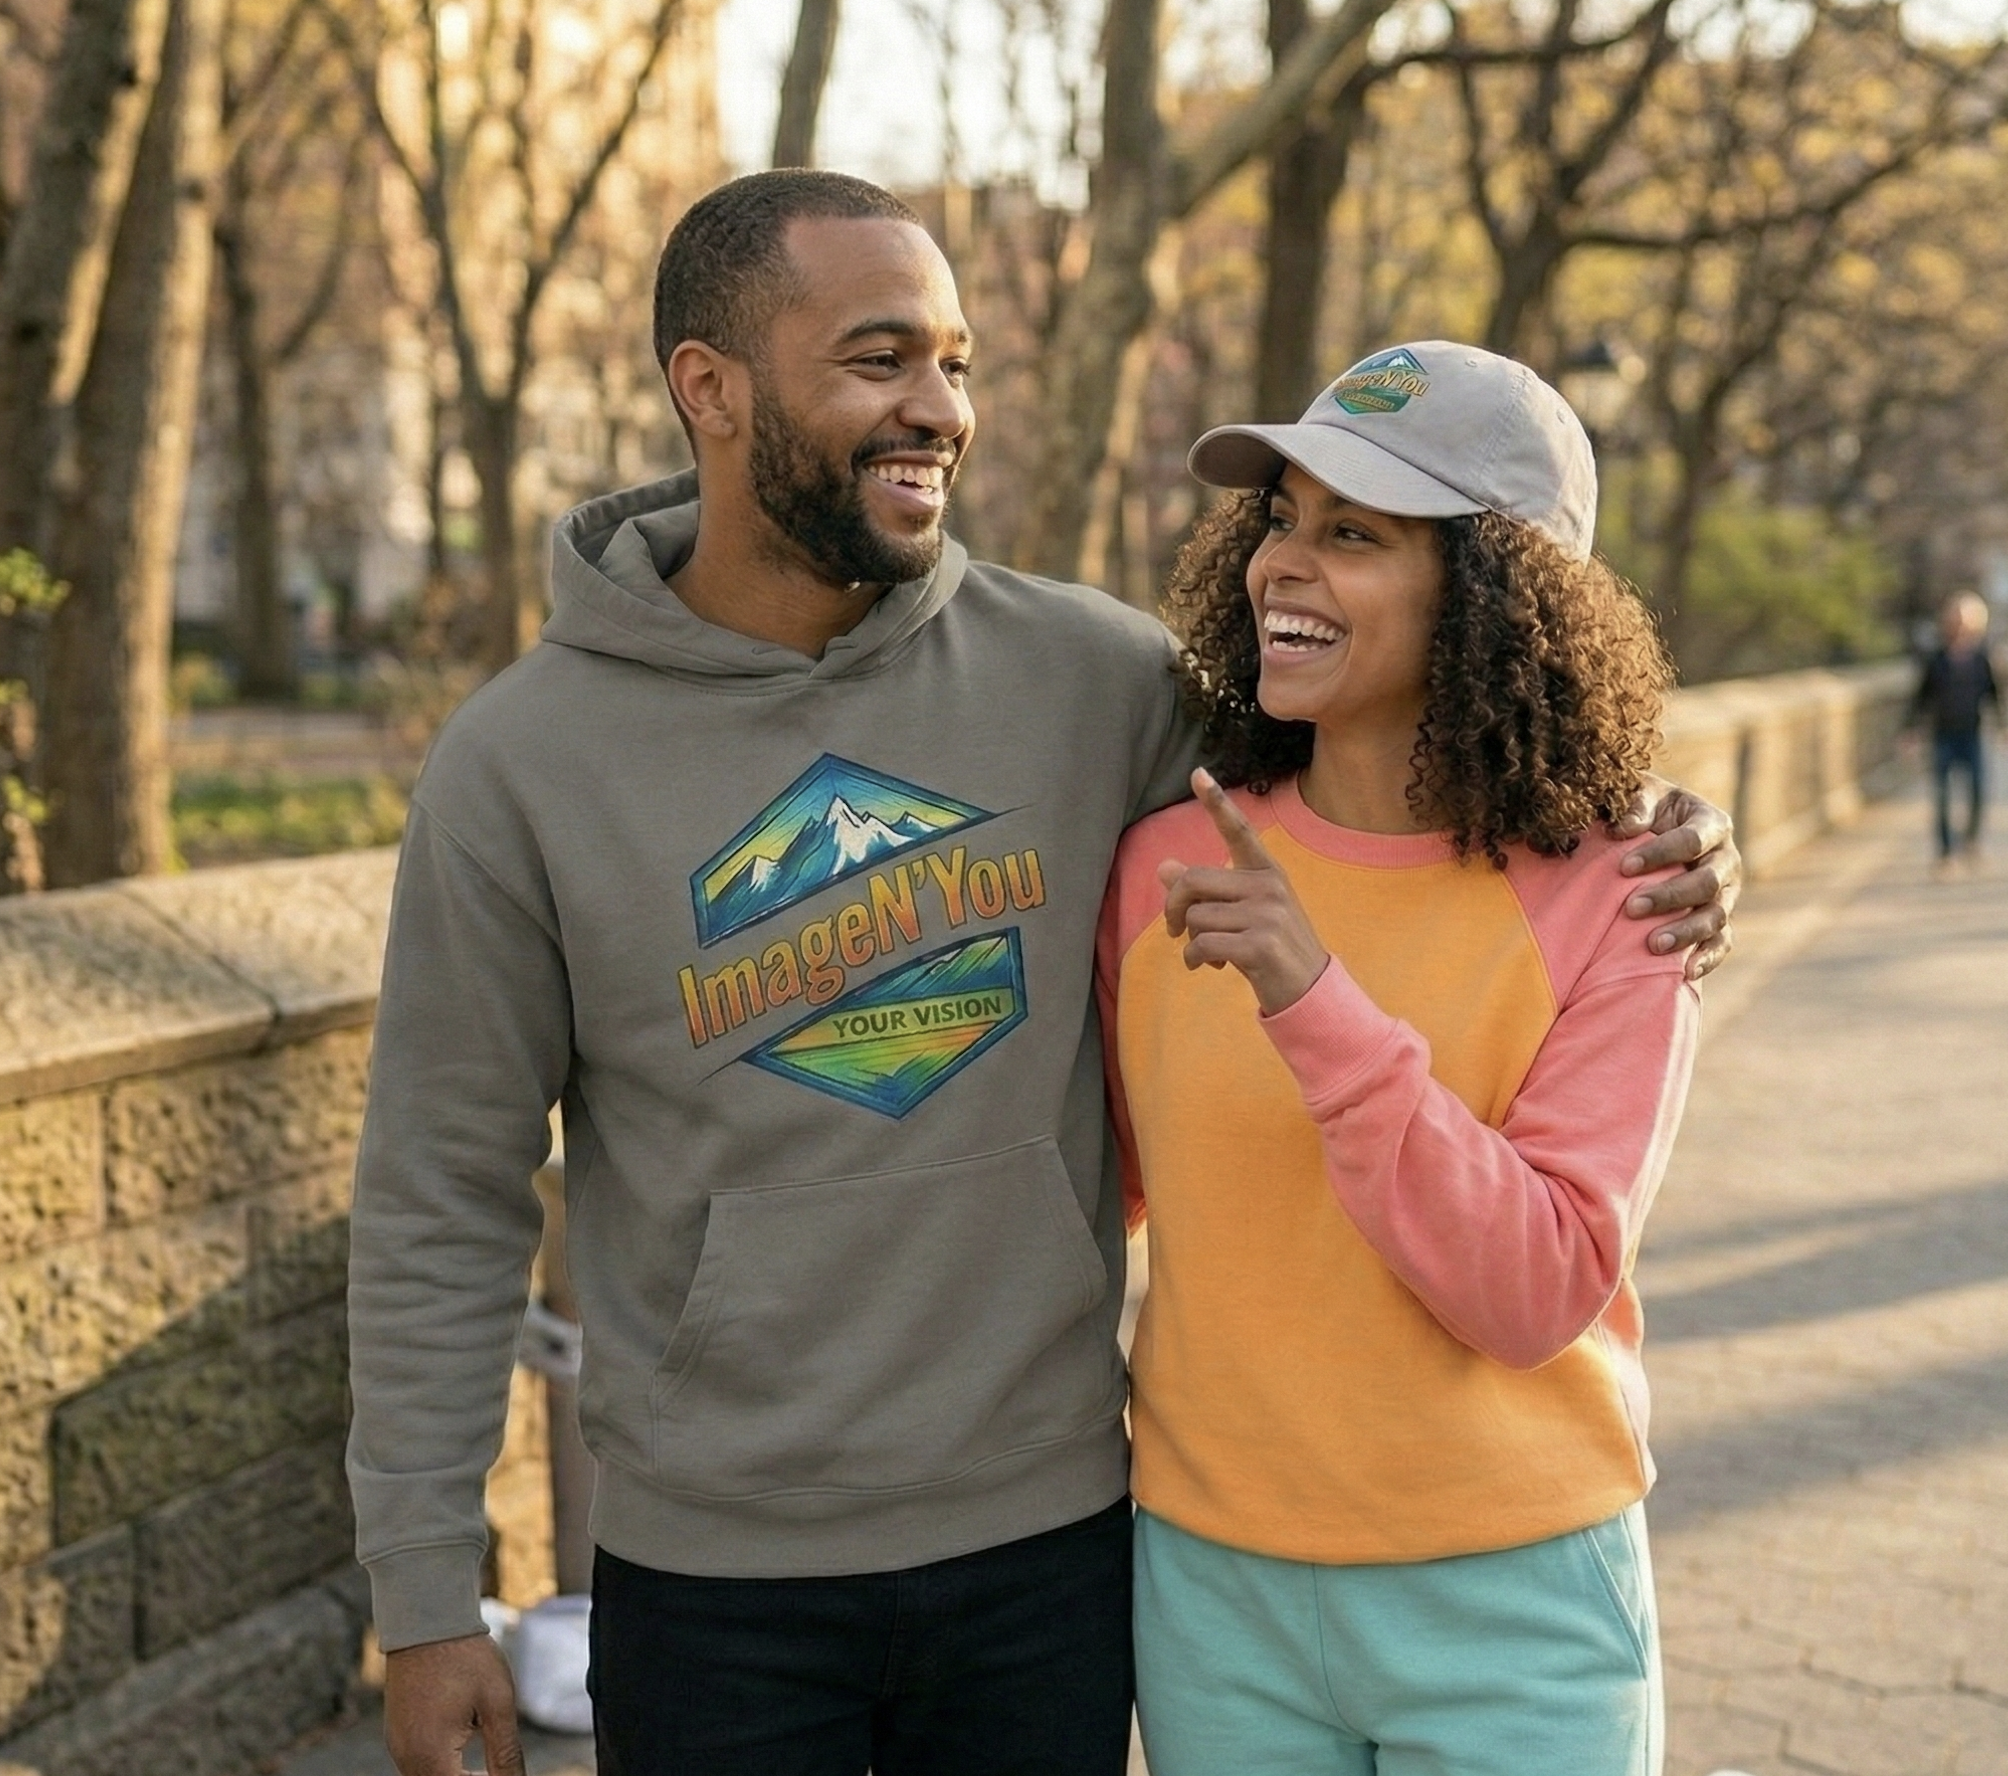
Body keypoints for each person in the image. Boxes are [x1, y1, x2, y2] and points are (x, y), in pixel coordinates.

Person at [347, 180, 1738, 1776]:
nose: (940, 410)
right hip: (716, 1575)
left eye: (956, 363)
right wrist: (425, 1592)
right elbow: (440, 1192)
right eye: (879, 359)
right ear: (709, 388)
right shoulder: (521, 764)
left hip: (1050, 1550)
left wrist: (1660, 823)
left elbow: (1408, 747)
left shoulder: (1095, 679)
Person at [1097, 344, 1702, 1774]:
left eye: (1356, 534)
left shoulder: (1627, 896)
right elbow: (1087, 1198)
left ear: (1497, 595)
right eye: (1283, 520)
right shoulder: (1163, 863)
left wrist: (1312, 997)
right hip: (1212, 1591)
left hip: (1510, 1597)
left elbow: (1534, 1287)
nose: (1283, 566)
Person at [1910, 590, 1999, 873]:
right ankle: (1946, 852)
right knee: (1943, 795)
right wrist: (1911, 729)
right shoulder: (1936, 659)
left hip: (1972, 733)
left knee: (1978, 791)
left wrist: (2002, 725)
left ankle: (1971, 840)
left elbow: (1993, 695)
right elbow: (1921, 697)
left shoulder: (1981, 659)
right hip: (1943, 734)